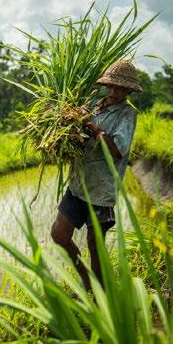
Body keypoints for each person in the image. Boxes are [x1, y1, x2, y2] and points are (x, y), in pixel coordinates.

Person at [51, 60, 142, 291]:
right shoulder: (92, 104)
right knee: (59, 234)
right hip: (77, 184)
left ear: (129, 91)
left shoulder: (127, 114)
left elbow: (117, 150)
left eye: (120, 88)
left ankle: (100, 294)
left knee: (95, 244)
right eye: (111, 86)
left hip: (101, 191)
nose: (114, 92)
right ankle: (86, 278)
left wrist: (93, 129)